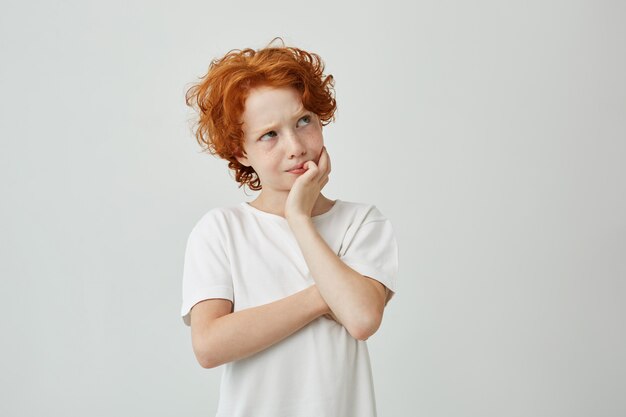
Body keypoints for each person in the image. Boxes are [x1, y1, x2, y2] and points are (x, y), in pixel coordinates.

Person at [181, 37, 399, 417]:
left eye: (304, 121)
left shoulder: (362, 222)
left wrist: (299, 219)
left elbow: (362, 319)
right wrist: (323, 298)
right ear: (240, 152)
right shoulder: (221, 230)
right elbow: (209, 345)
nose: (296, 146)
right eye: (270, 134)